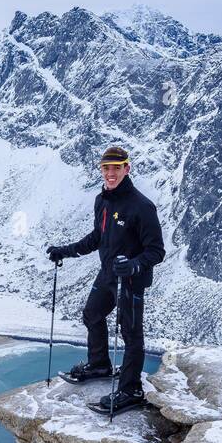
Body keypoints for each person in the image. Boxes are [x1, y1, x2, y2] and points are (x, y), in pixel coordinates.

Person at [46, 145, 165, 414]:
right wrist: (65, 251)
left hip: (131, 280)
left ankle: (131, 390)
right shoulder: (103, 201)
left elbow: (157, 251)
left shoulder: (142, 207)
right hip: (109, 274)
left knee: (131, 334)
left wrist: (133, 265)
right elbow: (97, 238)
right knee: (92, 314)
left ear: (127, 168)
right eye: (106, 168)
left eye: (116, 167)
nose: (111, 173)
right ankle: (100, 364)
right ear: (101, 169)